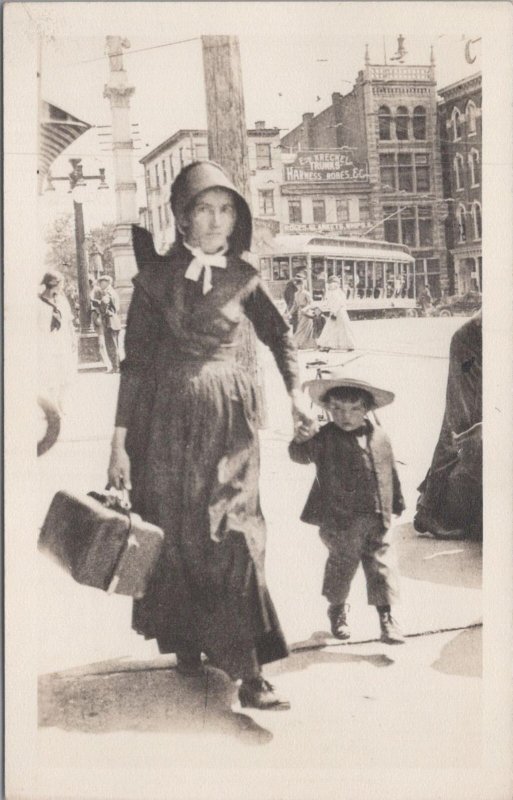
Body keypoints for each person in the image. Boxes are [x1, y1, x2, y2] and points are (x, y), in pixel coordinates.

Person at [107, 160, 316, 710]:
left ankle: (250, 674)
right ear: (181, 216)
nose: (215, 221)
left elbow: (281, 337)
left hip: (232, 427)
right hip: (167, 428)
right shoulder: (153, 283)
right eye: (204, 208)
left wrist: (297, 392)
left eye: (226, 210)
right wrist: (118, 445)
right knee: (180, 536)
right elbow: (135, 366)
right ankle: (187, 640)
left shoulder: (245, 277)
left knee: (239, 538)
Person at [289, 372, 406, 644]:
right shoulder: (325, 438)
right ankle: (337, 608)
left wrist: (396, 502)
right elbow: (300, 456)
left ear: (367, 410)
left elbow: (390, 470)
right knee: (342, 568)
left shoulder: (380, 436)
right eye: (337, 409)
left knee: (381, 566)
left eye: (354, 409)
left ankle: (387, 619)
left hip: (376, 516)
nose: (345, 416)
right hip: (339, 521)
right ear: (328, 410)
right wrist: (301, 439)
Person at [414, 311, 482, 540]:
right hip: (473, 342)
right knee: (459, 425)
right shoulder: (469, 336)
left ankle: (434, 498)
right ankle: (428, 511)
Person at [37, 270, 77, 416]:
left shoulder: (62, 300)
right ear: (54, 284)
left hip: (63, 341)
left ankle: (61, 401)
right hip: (46, 343)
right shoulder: (38, 302)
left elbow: (68, 321)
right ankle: (53, 407)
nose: (62, 287)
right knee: (51, 376)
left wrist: (73, 338)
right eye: (61, 284)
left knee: (67, 375)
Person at [316, 275, 356, 351]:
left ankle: (349, 345)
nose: (330, 286)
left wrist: (334, 312)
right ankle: (328, 344)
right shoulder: (336, 292)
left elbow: (339, 303)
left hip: (338, 312)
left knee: (339, 328)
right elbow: (329, 303)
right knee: (335, 328)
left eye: (331, 284)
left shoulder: (336, 293)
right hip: (337, 312)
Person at [96, 274, 122, 373]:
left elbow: (106, 308)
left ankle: (116, 367)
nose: (100, 285)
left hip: (109, 321)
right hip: (114, 321)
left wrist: (99, 306)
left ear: (107, 283)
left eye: (101, 282)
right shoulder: (113, 292)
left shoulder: (108, 294)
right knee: (114, 345)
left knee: (111, 345)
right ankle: (117, 367)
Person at [289, 277, 317, 349]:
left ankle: (297, 343)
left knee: (302, 328)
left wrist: (305, 308)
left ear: (304, 285)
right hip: (300, 313)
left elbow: (311, 303)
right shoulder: (296, 294)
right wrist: (290, 313)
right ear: (296, 286)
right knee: (301, 328)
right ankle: (303, 344)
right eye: (298, 285)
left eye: (301, 285)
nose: (300, 287)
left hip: (307, 313)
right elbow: (295, 305)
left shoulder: (306, 293)